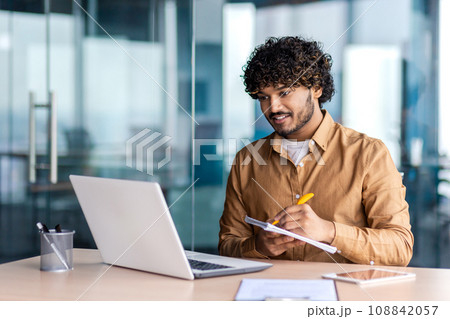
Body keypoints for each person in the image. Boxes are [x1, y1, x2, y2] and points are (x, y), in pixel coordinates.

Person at [218, 36, 413, 266]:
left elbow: (400, 247)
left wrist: (329, 231)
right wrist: (258, 246)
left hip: (344, 297)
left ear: (317, 88)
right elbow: (228, 245)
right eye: (263, 97)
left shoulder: (369, 153)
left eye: (284, 92)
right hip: (270, 297)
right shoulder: (247, 161)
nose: (273, 107)